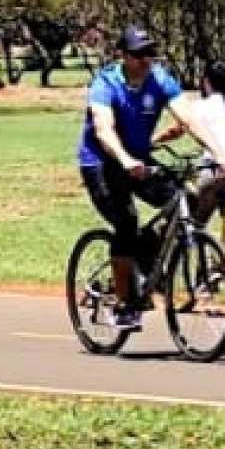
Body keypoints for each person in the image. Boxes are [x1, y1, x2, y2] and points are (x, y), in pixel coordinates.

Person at [75, 27, 186, 321]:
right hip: (100, 162)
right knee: (126, 223)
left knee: (180, 200)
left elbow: (188, 115)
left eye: (150, 53)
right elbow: (103, 129)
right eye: (139, 55)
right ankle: (124, 303)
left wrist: (220, 152)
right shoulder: (106, 83)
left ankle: (148, 257)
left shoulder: (159, 79)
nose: (146, 60)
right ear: (123, 56)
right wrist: (124, 159)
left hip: (138, 158)